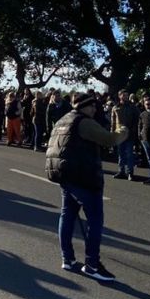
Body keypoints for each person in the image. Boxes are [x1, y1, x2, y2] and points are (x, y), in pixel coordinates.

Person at [46, 94, 128, 282]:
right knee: (95, 219)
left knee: (67, 215)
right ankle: (92, 264)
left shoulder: (63, 119)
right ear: (85, 106)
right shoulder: (84, 122)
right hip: (83, 176)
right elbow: (109, 139)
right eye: (92, 107)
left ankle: (67, 258)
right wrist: (123, 130)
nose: (94, 110)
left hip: (64, 173)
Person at [111, 90, 138, 179]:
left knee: (130, 154)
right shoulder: (115, 107)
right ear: (119, 96)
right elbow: (113, 122)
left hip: (130, 134)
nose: (125, 96)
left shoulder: (133, 107)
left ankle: (130, 172)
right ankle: (121, 171)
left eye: (126, 95)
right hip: (119, 134)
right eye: (123, 95)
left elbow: (137, 120)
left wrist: (134, 132)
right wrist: (112, 134)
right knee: (120, 154)